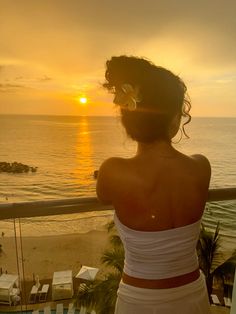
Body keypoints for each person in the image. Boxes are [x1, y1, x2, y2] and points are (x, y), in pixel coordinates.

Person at [96, 56, 211, 314]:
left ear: (129, 121)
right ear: (173, 120)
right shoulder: (201, 167)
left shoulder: (112, 172)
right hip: (192, 296)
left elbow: (103, 196)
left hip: (139, 301)